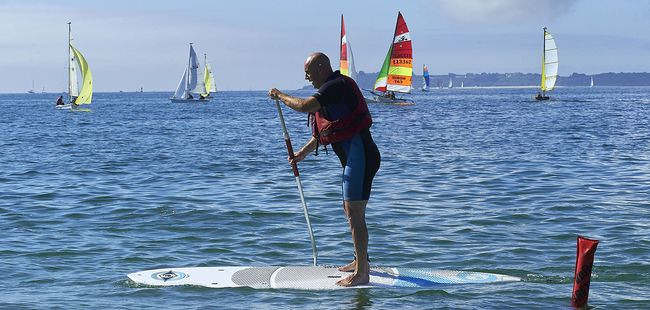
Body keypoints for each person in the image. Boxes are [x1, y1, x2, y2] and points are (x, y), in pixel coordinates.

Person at [269, 52, 380, 286]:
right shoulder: (331, 93)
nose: (307, 77)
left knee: (355, 213)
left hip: (361, 156)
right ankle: (361, 261)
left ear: (321, 67)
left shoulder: (336, 85)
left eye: (308, 73)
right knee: (350, 211)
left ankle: (362, 273)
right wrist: (300, 154)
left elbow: (304, 106)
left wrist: (280, 95)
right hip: (357, 158)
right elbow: (325, 134)